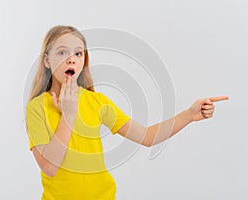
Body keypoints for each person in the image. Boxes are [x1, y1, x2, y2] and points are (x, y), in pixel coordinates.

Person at [25, 25, 229, 200]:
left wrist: (189, 115)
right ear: (47, 61)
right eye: (62, 52)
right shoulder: (36, 108)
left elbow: (147, 137)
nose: (71, 60)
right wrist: (68, 116)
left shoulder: (96, 102)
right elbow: (49, 168)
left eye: (78, 53)